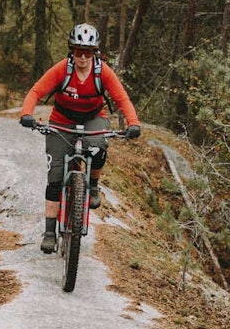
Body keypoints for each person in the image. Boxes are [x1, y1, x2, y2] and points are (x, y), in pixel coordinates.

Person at [19, 22, 141, 254]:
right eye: (78, 51)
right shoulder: (62, 70)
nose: (82, 57)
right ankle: (49, 232)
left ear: (95, 53)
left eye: (87, 52)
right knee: (54, 176)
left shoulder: (102, 71)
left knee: (97, 147)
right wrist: (27, 114)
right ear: (71, 51)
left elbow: (122, 98)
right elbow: (36, 92)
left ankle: (93, 186)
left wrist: (133, 123)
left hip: (93, 118)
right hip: (62, 120)